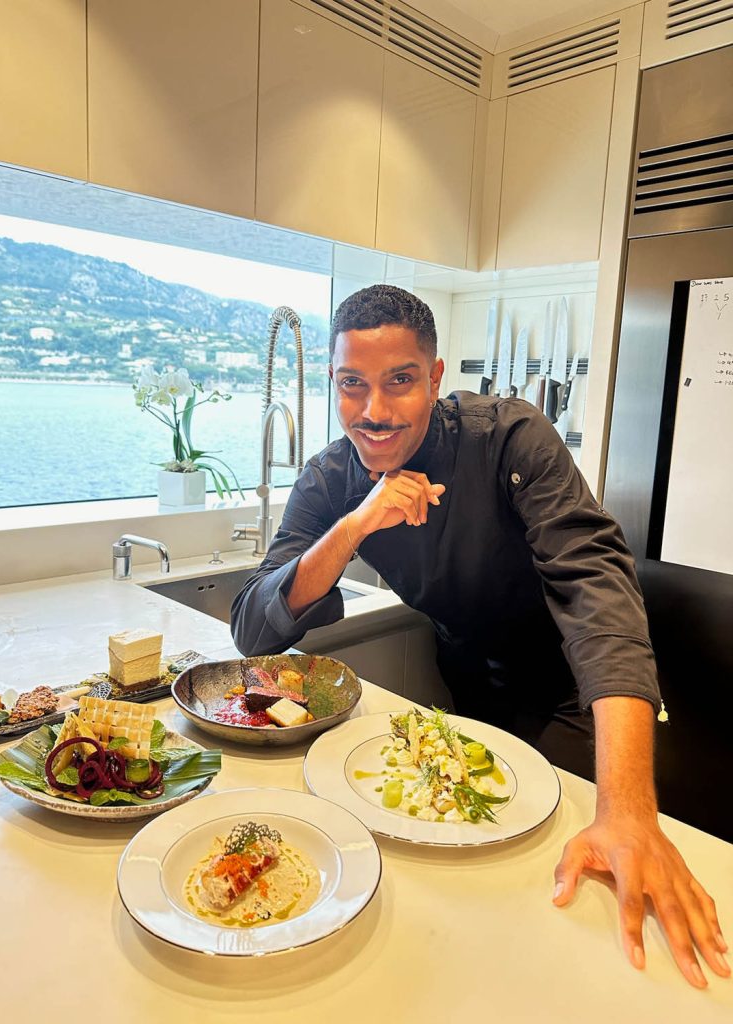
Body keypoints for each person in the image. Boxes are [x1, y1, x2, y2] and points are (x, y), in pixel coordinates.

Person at [231, 284, 729, 989]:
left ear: (435, 378)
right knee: (462, 878)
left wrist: (629, 812)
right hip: (471, 693)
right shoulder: (332, 478)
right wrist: (353, 527)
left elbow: (597, 589)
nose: (373, 412)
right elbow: (254, 627)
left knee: (563, 890)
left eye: (400, 381)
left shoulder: (511, 438)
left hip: (576, 696)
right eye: (353, 385)